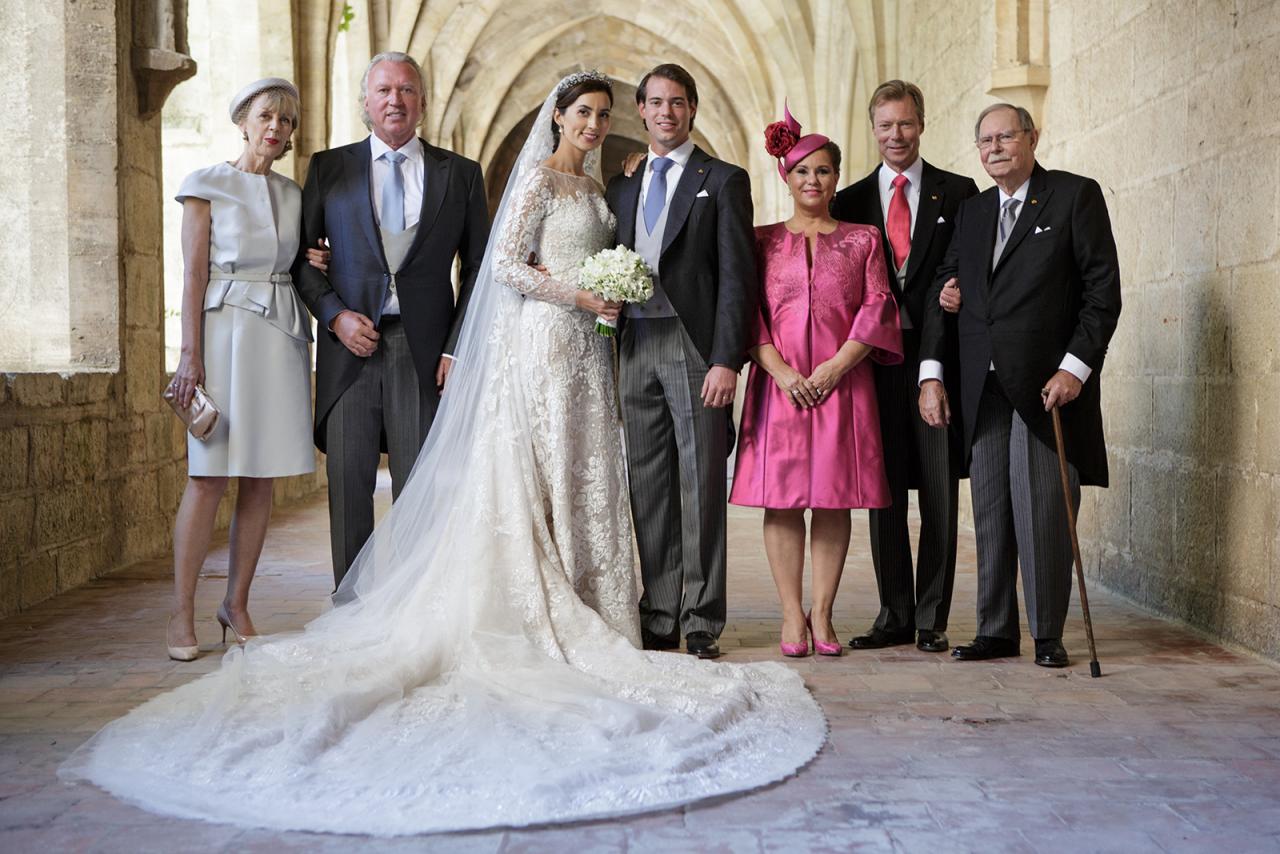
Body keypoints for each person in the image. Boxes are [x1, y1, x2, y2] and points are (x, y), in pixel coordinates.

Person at [61, 71, 825, 836]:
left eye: (602, 115)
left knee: (590, 480)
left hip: (587, 358)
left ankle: (617, 606)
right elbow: (502, 267)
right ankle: (469, 601)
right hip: (541, 344)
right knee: (508, 480)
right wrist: (583, 297)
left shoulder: (604, 184)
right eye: (583, 113)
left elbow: (555, 254)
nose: (595, 124)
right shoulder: (522, 177)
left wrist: (597, 295)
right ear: (557, 116)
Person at [918, 103, 1122, 668]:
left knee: (1043, 510)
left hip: (1043, 388)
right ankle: (996, 630)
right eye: (984, 141)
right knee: (990, 511)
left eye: (1006, 137)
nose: (994, 148)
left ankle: (1048, 635)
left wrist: (1073, 369)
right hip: (981, 387)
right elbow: (947, 282)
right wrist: (935, 358)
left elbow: (1102, 293)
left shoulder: (1073, 196)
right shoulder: (974, 211)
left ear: (1032, 138)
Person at [294, 52, 489, 588]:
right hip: (348, 350)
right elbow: (301, 261)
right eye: (383, 90)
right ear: (365, 103)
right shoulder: (328, 168)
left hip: (424, 353)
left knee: (421, 487)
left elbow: (478, 271)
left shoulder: (462, 175)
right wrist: (334, 318)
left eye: (406, 90)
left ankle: (415, 610)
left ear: (422, 103)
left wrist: (456, 348)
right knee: (348, 484)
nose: (394, 100)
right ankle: (349, 608)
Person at [731, 109, 902, 658]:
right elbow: (746, 312)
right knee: (780, 502)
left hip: (842, 385)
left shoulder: (863, 240)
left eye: (824, 172)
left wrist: (833, 369)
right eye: (803, 171)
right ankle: (790, 614)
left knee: (833, 501)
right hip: (778, 386)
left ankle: (823, 614)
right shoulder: (759, 242)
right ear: (786, 176)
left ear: (836, 178)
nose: (814, 181)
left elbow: (878, 308)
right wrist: (780, 371)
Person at [604, 63, 757, 660]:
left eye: (678, 102)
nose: (666, 112)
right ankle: (659, 610)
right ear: (640, 110)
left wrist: (726, 359)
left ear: (692, 109)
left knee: (699, 485)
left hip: (694, 346)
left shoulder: (723, 180)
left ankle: (701, 617)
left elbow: (738, 278)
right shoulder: (622, 184)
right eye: (655, 103)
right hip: (634, 343)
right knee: (649, 482)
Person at [163, 78, 314, 661]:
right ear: (244, 122)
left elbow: (299, 260)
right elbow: (193, 277)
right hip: (223, 334)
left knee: (261, 477)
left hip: (279, 338)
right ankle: (180, 615)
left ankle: (237, 604)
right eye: (266, 116)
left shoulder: (295, 194)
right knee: (207, 476)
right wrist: (189, 355)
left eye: (286, 122)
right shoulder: (206, 184)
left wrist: (315, 256)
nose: (276, 128)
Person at [830, 80, 979, 654]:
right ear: (873, 129)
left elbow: (965, 267)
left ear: (922, 123)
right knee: (883, 490)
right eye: (886, 125)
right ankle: (894, 612)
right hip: (873, 363)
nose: (897, 135)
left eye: (906, 123)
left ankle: (932, 618)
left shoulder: (959, 193)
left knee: (939, 489)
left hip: (936, 357)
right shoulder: (850, 202)